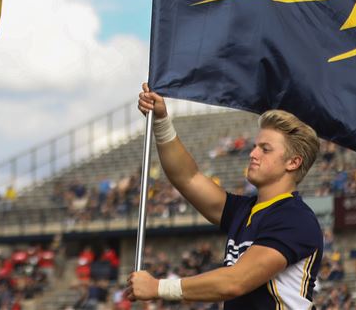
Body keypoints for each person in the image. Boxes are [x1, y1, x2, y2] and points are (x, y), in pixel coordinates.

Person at [126, 84, 322, 308]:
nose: (253, 153)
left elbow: (235, 282)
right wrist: (161, 121)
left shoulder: (294, 218)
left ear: (293, 162)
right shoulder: (243, 210)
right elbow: (187, 177)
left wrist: (159, 287)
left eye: (265, 149)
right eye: (255, 146)